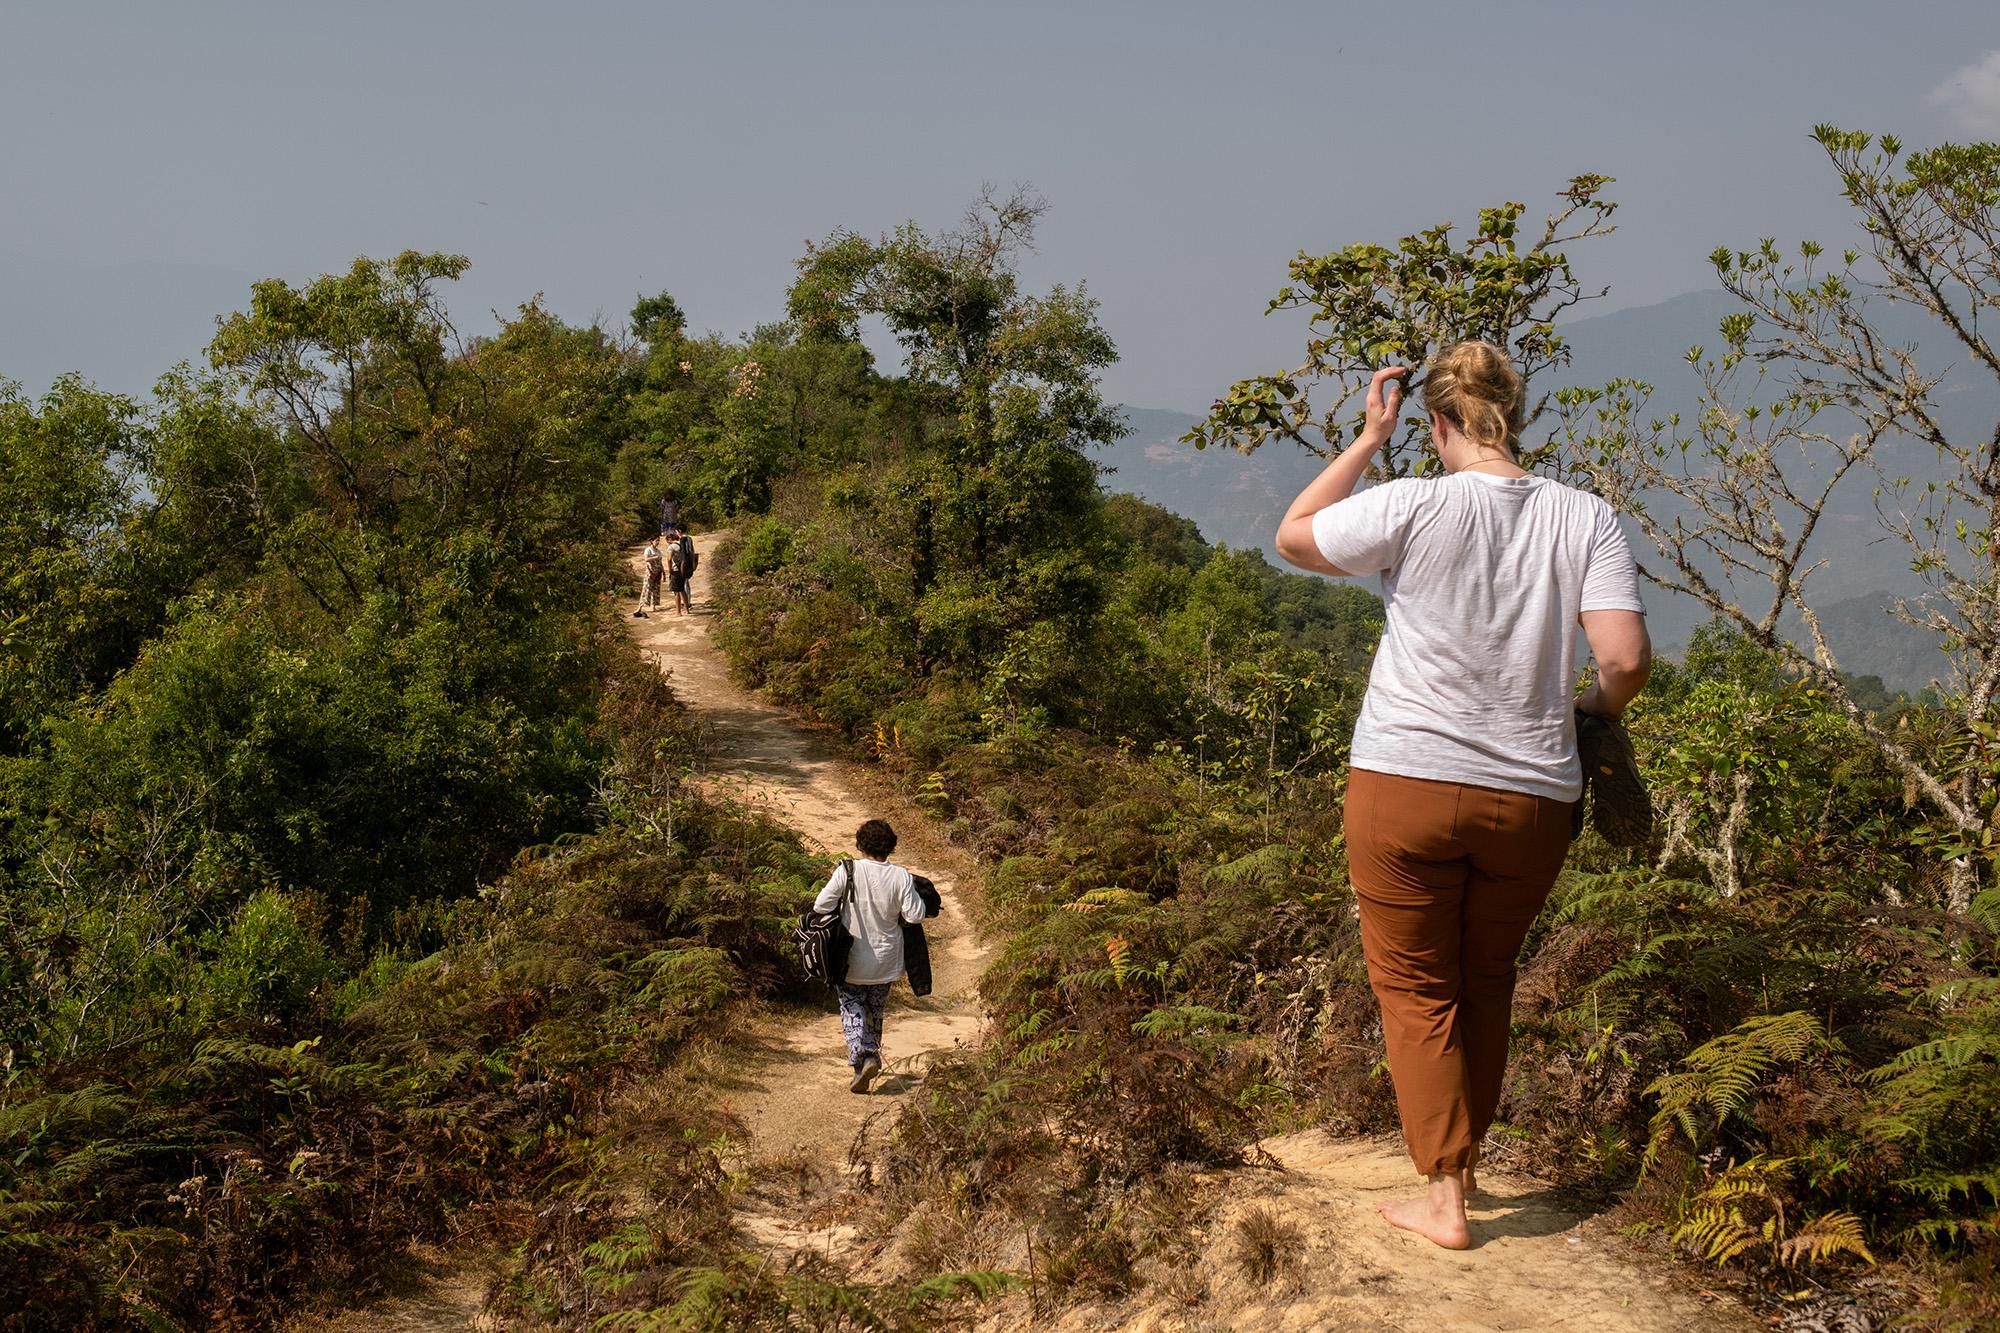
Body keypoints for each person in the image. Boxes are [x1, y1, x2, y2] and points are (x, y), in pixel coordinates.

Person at [1272, 341, 1652, 1250]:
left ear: (1437, 423)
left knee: (1414, 986)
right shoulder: (1586, 517)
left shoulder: (1413, 501)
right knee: (1486, 979)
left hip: (1404, 781)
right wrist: (1589, 712)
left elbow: (1294, 535)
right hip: (1530, 797)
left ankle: (1445, 1192)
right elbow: (1625, 660)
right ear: (1510, 415)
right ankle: (1462, 1168)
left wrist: (1369, 440)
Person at [810, 819, 929, 1093]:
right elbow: (915, 915)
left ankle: (862, 1058)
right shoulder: (900, 876)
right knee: (875, 1010)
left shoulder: (847, 870)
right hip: (886, 961)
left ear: (860, 845)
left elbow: (820, 905)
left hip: (852, 959)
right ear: (891, 847)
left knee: (851, 1006)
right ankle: (871, 1056)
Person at [671, 526, 696, 616]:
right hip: (688, 564)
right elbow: (691, 551)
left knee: (680, 588)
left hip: (682, 566)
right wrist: (693, 563)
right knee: (685, 585)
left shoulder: (682, 540)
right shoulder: (689, 538)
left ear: (680, 531)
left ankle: (680, 610)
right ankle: (687, 606)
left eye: (677, 531)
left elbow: (683, 555)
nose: (676, 533)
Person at [636, 537, 663, 618]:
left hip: (657, 572)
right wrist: (655, 557)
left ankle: (654, 606)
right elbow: (646, 559)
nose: (657, 542)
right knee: (646, 589)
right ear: (652, 541)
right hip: (649, 573)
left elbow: (660, 563)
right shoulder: (648, 550)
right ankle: (640, 607)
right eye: (656, 540)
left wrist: (663, 573)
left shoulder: (658, 551)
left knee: (656, 589)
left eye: (658, 540)